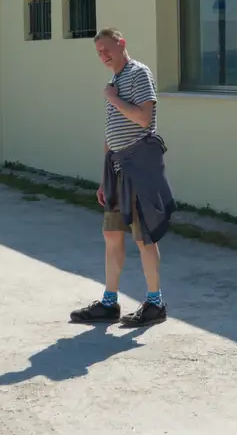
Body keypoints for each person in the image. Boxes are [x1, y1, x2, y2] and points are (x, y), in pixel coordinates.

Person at [70, 28, 174, 328]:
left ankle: (155, 303)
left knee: (144, 237)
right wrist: (105, 178)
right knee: (111, 235)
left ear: (121, 44)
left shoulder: (138, 74)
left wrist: (112, 98)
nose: (103, 55)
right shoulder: (114, 82)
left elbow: (143, 118)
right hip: (116, 170)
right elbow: (111, 131)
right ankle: (109, 302)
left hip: (139, 166)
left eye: (107, 48)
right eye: (98, 52)